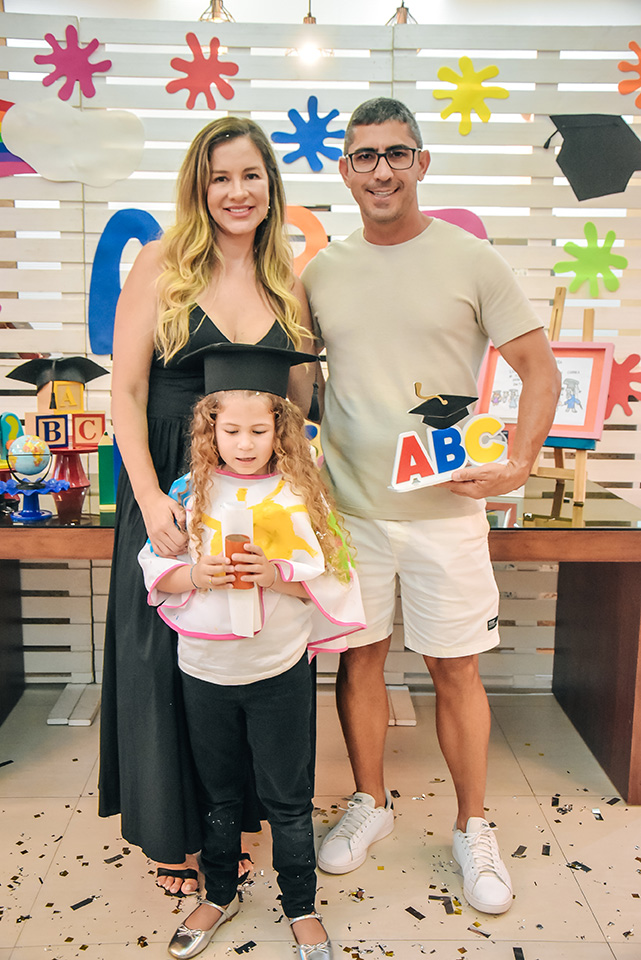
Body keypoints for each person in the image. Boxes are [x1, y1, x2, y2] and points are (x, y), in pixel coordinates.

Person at [302, 97, 561, 915]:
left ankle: (471, 825)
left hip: (446, 516)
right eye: (364, 155)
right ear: (345, 170)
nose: (380, 169)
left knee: (456, 668)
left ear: (420, 162)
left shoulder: (471, 259)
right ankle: (370, 803)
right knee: (360, 660)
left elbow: (539, 370)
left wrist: (517, 463)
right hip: (351, 512)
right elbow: (302, 384)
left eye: (395, 153)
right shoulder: (320, 272)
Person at [98, 116, 316, 897]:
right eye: (220, 177)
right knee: (162, 654)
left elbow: (300, 400)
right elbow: (126, 390)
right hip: (166, 476)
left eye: (250, 175)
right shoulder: (161, 263)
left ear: (270, 186)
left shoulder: (285, 277)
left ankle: (232, 824)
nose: (236, 191)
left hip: (251, 488)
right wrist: (149, 496)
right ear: (198, 185)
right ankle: (173, 836)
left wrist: (294, 494)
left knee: (240, 643)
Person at [137, 343, 365, 960]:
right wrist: (195, 576)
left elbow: (335, 574)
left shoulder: (300, 494)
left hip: (277, 672)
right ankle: (218, 894)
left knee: (288, 798)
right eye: (230, 430)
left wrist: (278, 573)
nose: (243, 443)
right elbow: (155, 567)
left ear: (280, 428)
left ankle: (301, 906)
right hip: (204, 671)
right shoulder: (188, 493)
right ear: (209, 428)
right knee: (218, 793)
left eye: (258, 431)